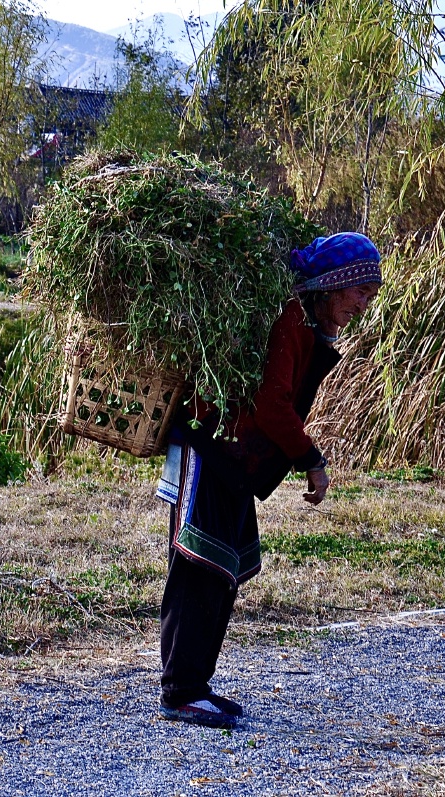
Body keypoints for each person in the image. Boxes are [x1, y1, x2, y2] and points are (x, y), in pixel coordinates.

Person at [154, 231, 383, 728]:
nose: (363, 305)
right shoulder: (290, 320)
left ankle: (195, 686)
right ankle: (181, 691)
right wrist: (312, 458)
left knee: (223, 570)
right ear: (331, 285)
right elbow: (270, 405)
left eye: (370, 294)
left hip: (230, 461)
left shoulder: (305, 324)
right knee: (200, 566)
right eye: (360, 292)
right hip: (208, 445)